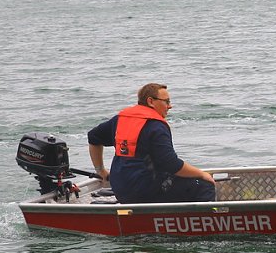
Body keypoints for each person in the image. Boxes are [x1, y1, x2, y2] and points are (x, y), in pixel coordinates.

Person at [87, 83, 216, 204]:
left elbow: (93, 137)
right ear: (151, 101)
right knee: (204, 185)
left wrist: (101, 170)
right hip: (146, 191)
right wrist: (202, 174)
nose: (170, 106)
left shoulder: (120, 119)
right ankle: (205, 224)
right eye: (167, 101)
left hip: (121, 190)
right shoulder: (156, 127)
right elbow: (172, 165)